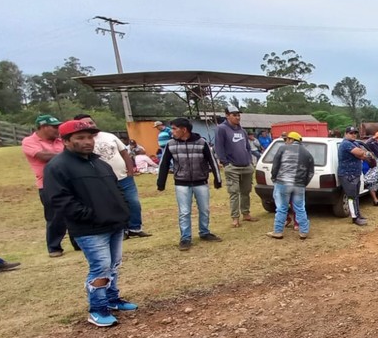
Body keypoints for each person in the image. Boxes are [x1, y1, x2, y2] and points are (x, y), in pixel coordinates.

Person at [43, 119, 136, 327]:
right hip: (89, 228)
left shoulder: (99, 163)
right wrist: (89, 215)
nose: (88, 142)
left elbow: (116, 189)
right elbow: (59, 199)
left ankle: (112, 300)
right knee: (100, 267)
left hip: (114, 223)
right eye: (80, 138)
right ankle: (97, 309)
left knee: (113, 264)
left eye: (90, 137)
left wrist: (123, 210)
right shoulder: (58, 167)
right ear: (66, 141)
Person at [73, 114, 151, 238]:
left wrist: (130, 171)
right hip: (103, 181)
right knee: (115, 205)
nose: (90, 125)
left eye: (91, 122)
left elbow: (124, 153)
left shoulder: (110, 136)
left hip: (124, 177)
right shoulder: (82, 143)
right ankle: (122, 231)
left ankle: (135, 228)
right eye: (85, 123)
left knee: (133, 202)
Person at [157, 118, 223, 251]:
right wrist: (161, 182)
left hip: (201, 182)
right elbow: (164, 164)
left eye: (175, 129)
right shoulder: (171, 144)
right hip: (181, 183)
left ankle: (204, 232)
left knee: (204, 209)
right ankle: (185, 238)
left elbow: (212, 161)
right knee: (184, 212)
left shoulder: (201, 142)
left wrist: (218, 179)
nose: (173, 132)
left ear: (184, 129)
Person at [22, 114, 74, 257]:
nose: (58, 129)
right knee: (55, 216)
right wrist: (67, 154)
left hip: (69, 180)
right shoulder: (29, 141)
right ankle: (54, 247)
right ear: (43, 127)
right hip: (47, 184)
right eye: (55, 127)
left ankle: (79, 243)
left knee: (75, 212)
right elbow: (43, 156)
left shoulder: (60, 140)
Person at [214, 105, 258, 228]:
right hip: (232, 166)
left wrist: (249, 161)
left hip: (246, 166)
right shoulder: (221, 129)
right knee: (234, 192)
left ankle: (246, 213)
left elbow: (247, 147)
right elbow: (219, 147)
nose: (237, 117)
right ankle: (235, 218)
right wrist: (225, 163)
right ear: (227, 115)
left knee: (246, 191)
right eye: (234, 115)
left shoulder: (242, 130)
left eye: (238, 114)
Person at [266, 132, 314, 240]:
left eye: (287, 139)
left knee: (282, 207)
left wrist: (274, 178)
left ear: (291, 139)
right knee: (300, 208)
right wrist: (303, 183)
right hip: (299, 185)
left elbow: (275, 165)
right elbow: (311, 172)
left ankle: (278, 231)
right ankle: (304, 232)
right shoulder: (307, 153)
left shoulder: (283, 149)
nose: (286, 141)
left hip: (282, 183)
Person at [338, 126, 369, 226]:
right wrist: (360, 153)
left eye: (355, 133)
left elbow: (363, 155)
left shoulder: (354, 143)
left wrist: (361, 154)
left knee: (356, 196)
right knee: (351, 197)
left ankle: (358, 214)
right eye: (351, 133)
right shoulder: (345, 144)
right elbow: (361, 153)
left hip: (355, 174)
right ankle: (355, 218)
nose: (353, 135)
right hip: (347, 175)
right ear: (346, 134)